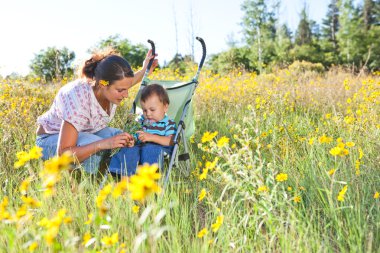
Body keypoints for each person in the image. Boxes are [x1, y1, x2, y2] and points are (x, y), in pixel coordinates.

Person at [35, 49, 158, 174]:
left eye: (126, 89)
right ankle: (85, 184)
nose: (126, 95)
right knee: (98, 148)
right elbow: (63, 154)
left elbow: (127, 82)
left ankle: (119, 177)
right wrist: (103, 144)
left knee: (122, 139)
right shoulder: (78, 99)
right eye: (121, 90)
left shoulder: (108, 87)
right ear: (103, 85)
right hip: (50, 140)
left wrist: (145, 68)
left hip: (85, 132)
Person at [109, 84, 177, 176]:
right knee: (128, 149)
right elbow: (136, 134)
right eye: (144, 110)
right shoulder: (141, 120)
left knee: (150, 149)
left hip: (158, 149)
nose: (148, 114)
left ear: (165, 107)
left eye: (152, 110)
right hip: (140, 147)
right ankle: (121, 174)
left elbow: (171, 141)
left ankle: (148, 176)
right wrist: (132, 140)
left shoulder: (168, 123)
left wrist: (151, 137)